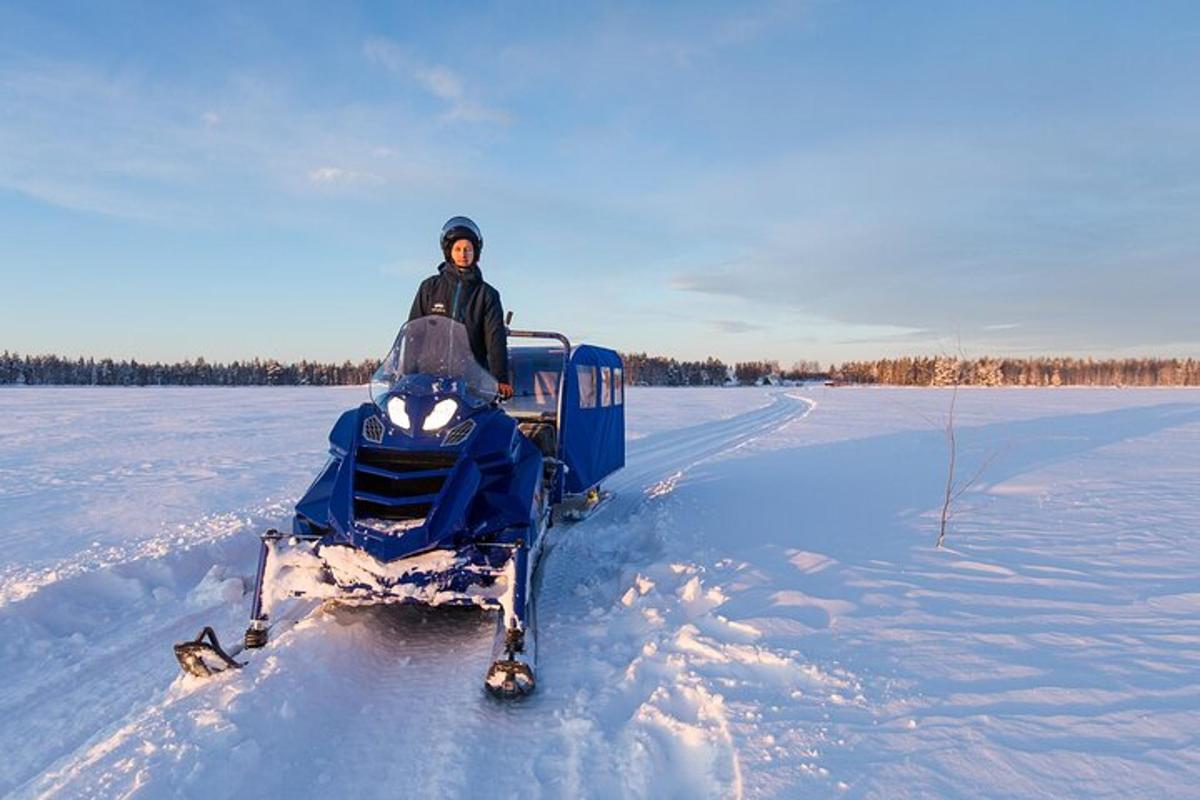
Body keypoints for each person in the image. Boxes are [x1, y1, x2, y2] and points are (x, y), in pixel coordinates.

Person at [409, 216, 513, 399]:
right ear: (449, 252)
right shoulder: (429, 288)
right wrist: (407, 373)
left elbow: (495, 339)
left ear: (476, 253)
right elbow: (413, 334)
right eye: (458, 249)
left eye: (468, 249)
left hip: (471, 382)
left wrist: (500, 379)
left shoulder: (487, 294)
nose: (463, 254)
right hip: (430, 380)